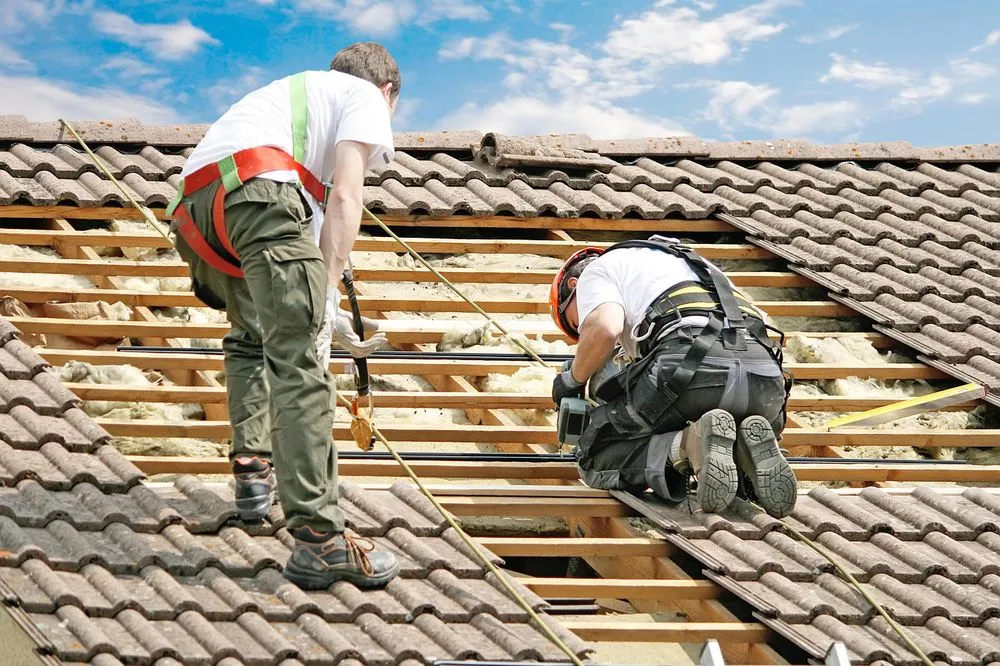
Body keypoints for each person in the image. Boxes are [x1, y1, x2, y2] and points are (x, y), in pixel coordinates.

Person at [168, 42, 401, 589]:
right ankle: (321, 541)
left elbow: (310, 234)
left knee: (253, 338)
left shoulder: (291, 99)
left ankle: (253, 475)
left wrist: (327, 299)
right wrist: (320, 300)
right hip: (260, 194)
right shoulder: (367, 95)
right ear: (389, 92)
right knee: (301, 363)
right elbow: (345, 199)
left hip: (197, 213)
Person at [549, 234, 797, 518]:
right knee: (711, 425)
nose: (581, 332)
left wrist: (571, 381)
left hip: (689, 362)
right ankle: (744, 449)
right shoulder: (697, 265)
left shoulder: (597, 270)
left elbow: (604, 329)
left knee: (597, 456)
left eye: (575, 324)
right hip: (765, 377)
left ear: (573, 286)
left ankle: (687, 444)